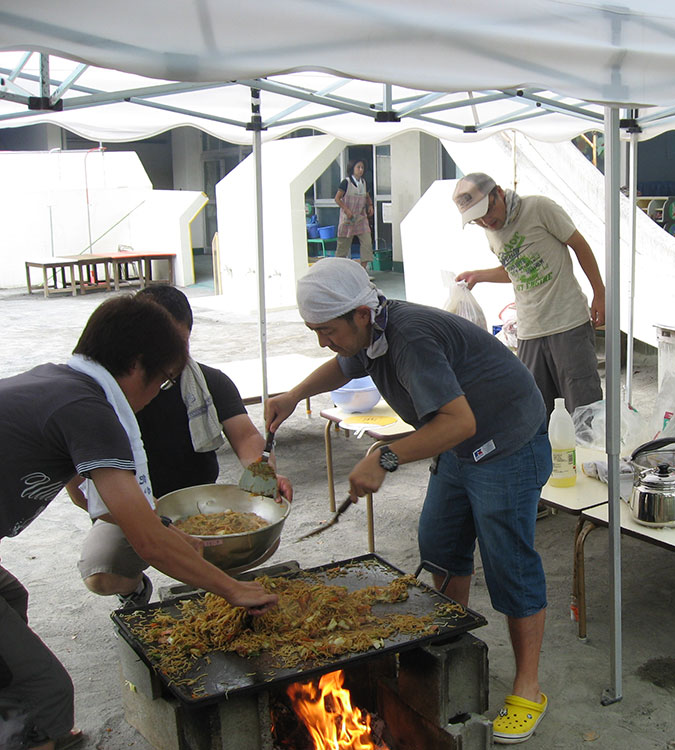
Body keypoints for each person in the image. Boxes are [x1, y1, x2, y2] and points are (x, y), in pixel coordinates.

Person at [266, 258, 551, 745]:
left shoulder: (410, 339)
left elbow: (458, 422)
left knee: (509, 562)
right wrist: (294, 396)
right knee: (439, 541)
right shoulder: (369, 331)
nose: (322, 340)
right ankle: (450, 644)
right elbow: (342, 365)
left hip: (506, 441)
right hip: (462, 442)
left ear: (360, 313)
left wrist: (385, 456)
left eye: (326, 329)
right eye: (314, 330)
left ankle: (529, 688)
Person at [0, 295, 277, 750]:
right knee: (45, 689)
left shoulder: (60, 382)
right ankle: (33, 732)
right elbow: (145, 542)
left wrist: (170, 533)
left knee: (11, 597)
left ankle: (26, 725)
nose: (157, 394)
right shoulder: (89, 408)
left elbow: (119, 510)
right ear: (135, 364)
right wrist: (235, 589)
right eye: (164, 379)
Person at [67, 285, 292, 606]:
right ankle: (135, 589)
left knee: (256, 538)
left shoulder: (208, 381)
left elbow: (244, 437)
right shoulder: (100, 400)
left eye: (179, 342)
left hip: (199, 505)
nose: (170, 355)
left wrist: (264, 473)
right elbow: (81, 491)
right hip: (131, 507)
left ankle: (220, 592)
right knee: (102, 570)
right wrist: (150, 520)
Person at [451, 172, 604, 417]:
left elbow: (579, 244)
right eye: (477, 220)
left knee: (583, 409)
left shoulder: (538, 208)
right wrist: (478, 275)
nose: (486, 222)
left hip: (567, 324)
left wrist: (600, 293)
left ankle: (587, 456)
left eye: (488, 212)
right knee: (537, 410)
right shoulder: (490, 233)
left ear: (498, 193)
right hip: (530, 331)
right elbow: (515, 268)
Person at [334, 158, 375, 269]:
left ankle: (362, 271)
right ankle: (338, 270)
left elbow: (366, 196)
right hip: (348, 218)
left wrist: (370, 205)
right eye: (358, 167)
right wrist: (346, 210)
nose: (360, 170)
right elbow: (337, 198)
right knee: (343, 246)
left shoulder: (363, 182)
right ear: (352, 168)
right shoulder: (346, 183)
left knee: (367, 243)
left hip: (361, 218)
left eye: (362, 167)